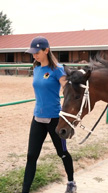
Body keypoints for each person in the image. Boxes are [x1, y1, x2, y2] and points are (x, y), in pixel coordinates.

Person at [22, 36, 77, 193]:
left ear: (46, 50)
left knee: (62, 153)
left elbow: (68, 91)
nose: (34, 55)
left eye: (37, 52)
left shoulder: (57, 70)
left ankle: (71, 182)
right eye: (32, 53)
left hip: (54, 119)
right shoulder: (37, 68)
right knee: (31, 156)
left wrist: (69, 116)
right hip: (37, 119)